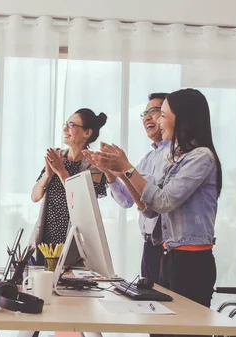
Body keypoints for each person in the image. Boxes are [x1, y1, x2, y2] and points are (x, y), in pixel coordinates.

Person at [85, 88, 221, 337]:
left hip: (190, 262)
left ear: (182, 117)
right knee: (160, 332)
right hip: (170, 257)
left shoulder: (201, 157)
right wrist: (116, 171)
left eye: (162, 114)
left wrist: (126, 168)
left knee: (183, 334)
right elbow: (149, 210)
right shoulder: (172, 157)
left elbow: (164, 200)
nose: (156, 121)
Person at [104, 93, 170, 283]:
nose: (148, 117)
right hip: (149, 245)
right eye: (145, 113)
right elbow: (126, 200)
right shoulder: (148, 158)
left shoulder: (176, 154)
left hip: (167, 247)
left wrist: (125, 168)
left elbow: (157, 196)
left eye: (154, 111)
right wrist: (108, 172)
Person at [29, 108, 108, 265]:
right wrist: (48, 175)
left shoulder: (94, 164)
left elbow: (83, 201)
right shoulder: (58, 157)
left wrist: (61, 171)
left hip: (75, 243)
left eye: (71, 125)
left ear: (87, 133)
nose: (65, 129)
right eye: (66, 124)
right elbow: (35, 196)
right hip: (46, 240)